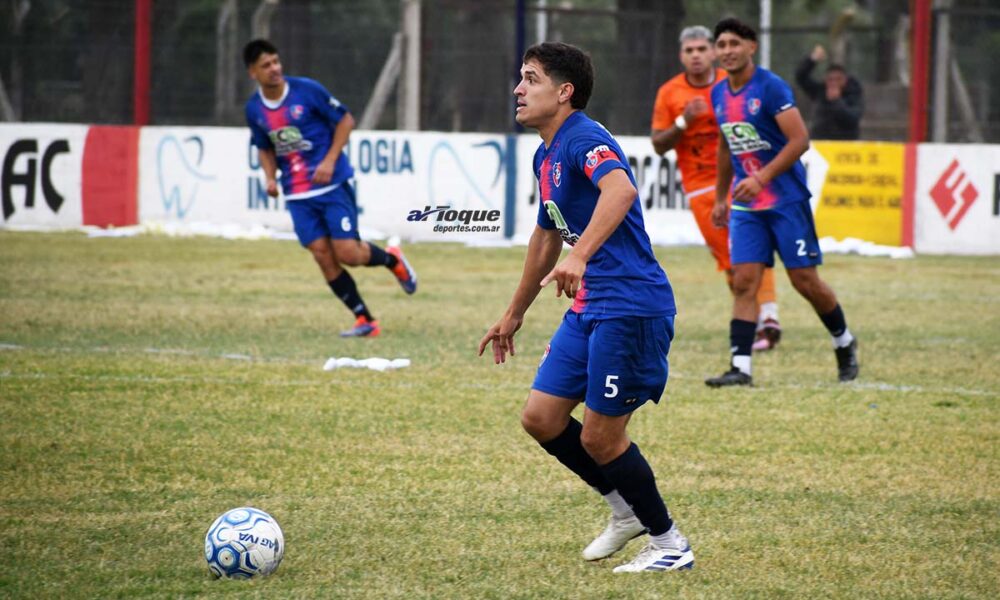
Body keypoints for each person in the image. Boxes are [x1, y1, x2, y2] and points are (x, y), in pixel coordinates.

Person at [478, 42, 694, 573]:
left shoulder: (585, 138)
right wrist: (514, 312)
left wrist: (581, 254)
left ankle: (669, 544)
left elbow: (620, 191)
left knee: (601, 436)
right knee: (542, 417)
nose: (518, 89)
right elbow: (545, 237)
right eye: (520, 79)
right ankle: (625, 510)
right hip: (592, 305)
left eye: (530, 79)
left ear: (564, 91)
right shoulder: (545, 154)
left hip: (631, 305)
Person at [705, 18, 859, 388]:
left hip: (785, 200)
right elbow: (726, 146)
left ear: (751, 47)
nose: (727, 50)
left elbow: (799, 140)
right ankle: (740, 367)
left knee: (804, 280)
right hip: (745, 206)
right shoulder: (718, 93)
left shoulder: (771, 87)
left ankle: (844, 342)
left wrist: (760, 177)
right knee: (744, 281)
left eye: (734, 43)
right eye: (721, 44)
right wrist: (721, 195)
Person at [243, 39, 418, 338]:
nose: (274, 69)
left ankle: (392, 259)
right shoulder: (254, 110)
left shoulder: (306, 90)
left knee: (348, 252)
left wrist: (329, 160)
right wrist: (270, 178)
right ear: (252, 73)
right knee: (322, 255)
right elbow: (264, 147)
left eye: (276, 61)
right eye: (266, 65)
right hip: (297, 194)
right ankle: (365, 319)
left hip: (332, 183)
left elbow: (346, 120)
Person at [651, 25, 781, 352]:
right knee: (728, 259)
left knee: (750, 250)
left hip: (739, 179)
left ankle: (768, 319)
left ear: (712, 52)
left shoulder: (730, 83)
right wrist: (684, 121)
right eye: (689, 50)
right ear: (681, 56)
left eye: (701, 49)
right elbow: (658, 145)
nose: (696, 55)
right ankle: (753, 318)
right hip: (699, 189)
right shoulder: (670, 93)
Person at [794, 44, 864, 140]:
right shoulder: (820, 91)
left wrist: (837, 101)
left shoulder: (853, 93)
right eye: (830, 79)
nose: (834, 83)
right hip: (820, 144)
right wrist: (812, 60)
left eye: (838, 79)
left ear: (845, 80)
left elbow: (853, 118)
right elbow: (801, 77)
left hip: (845, 145)